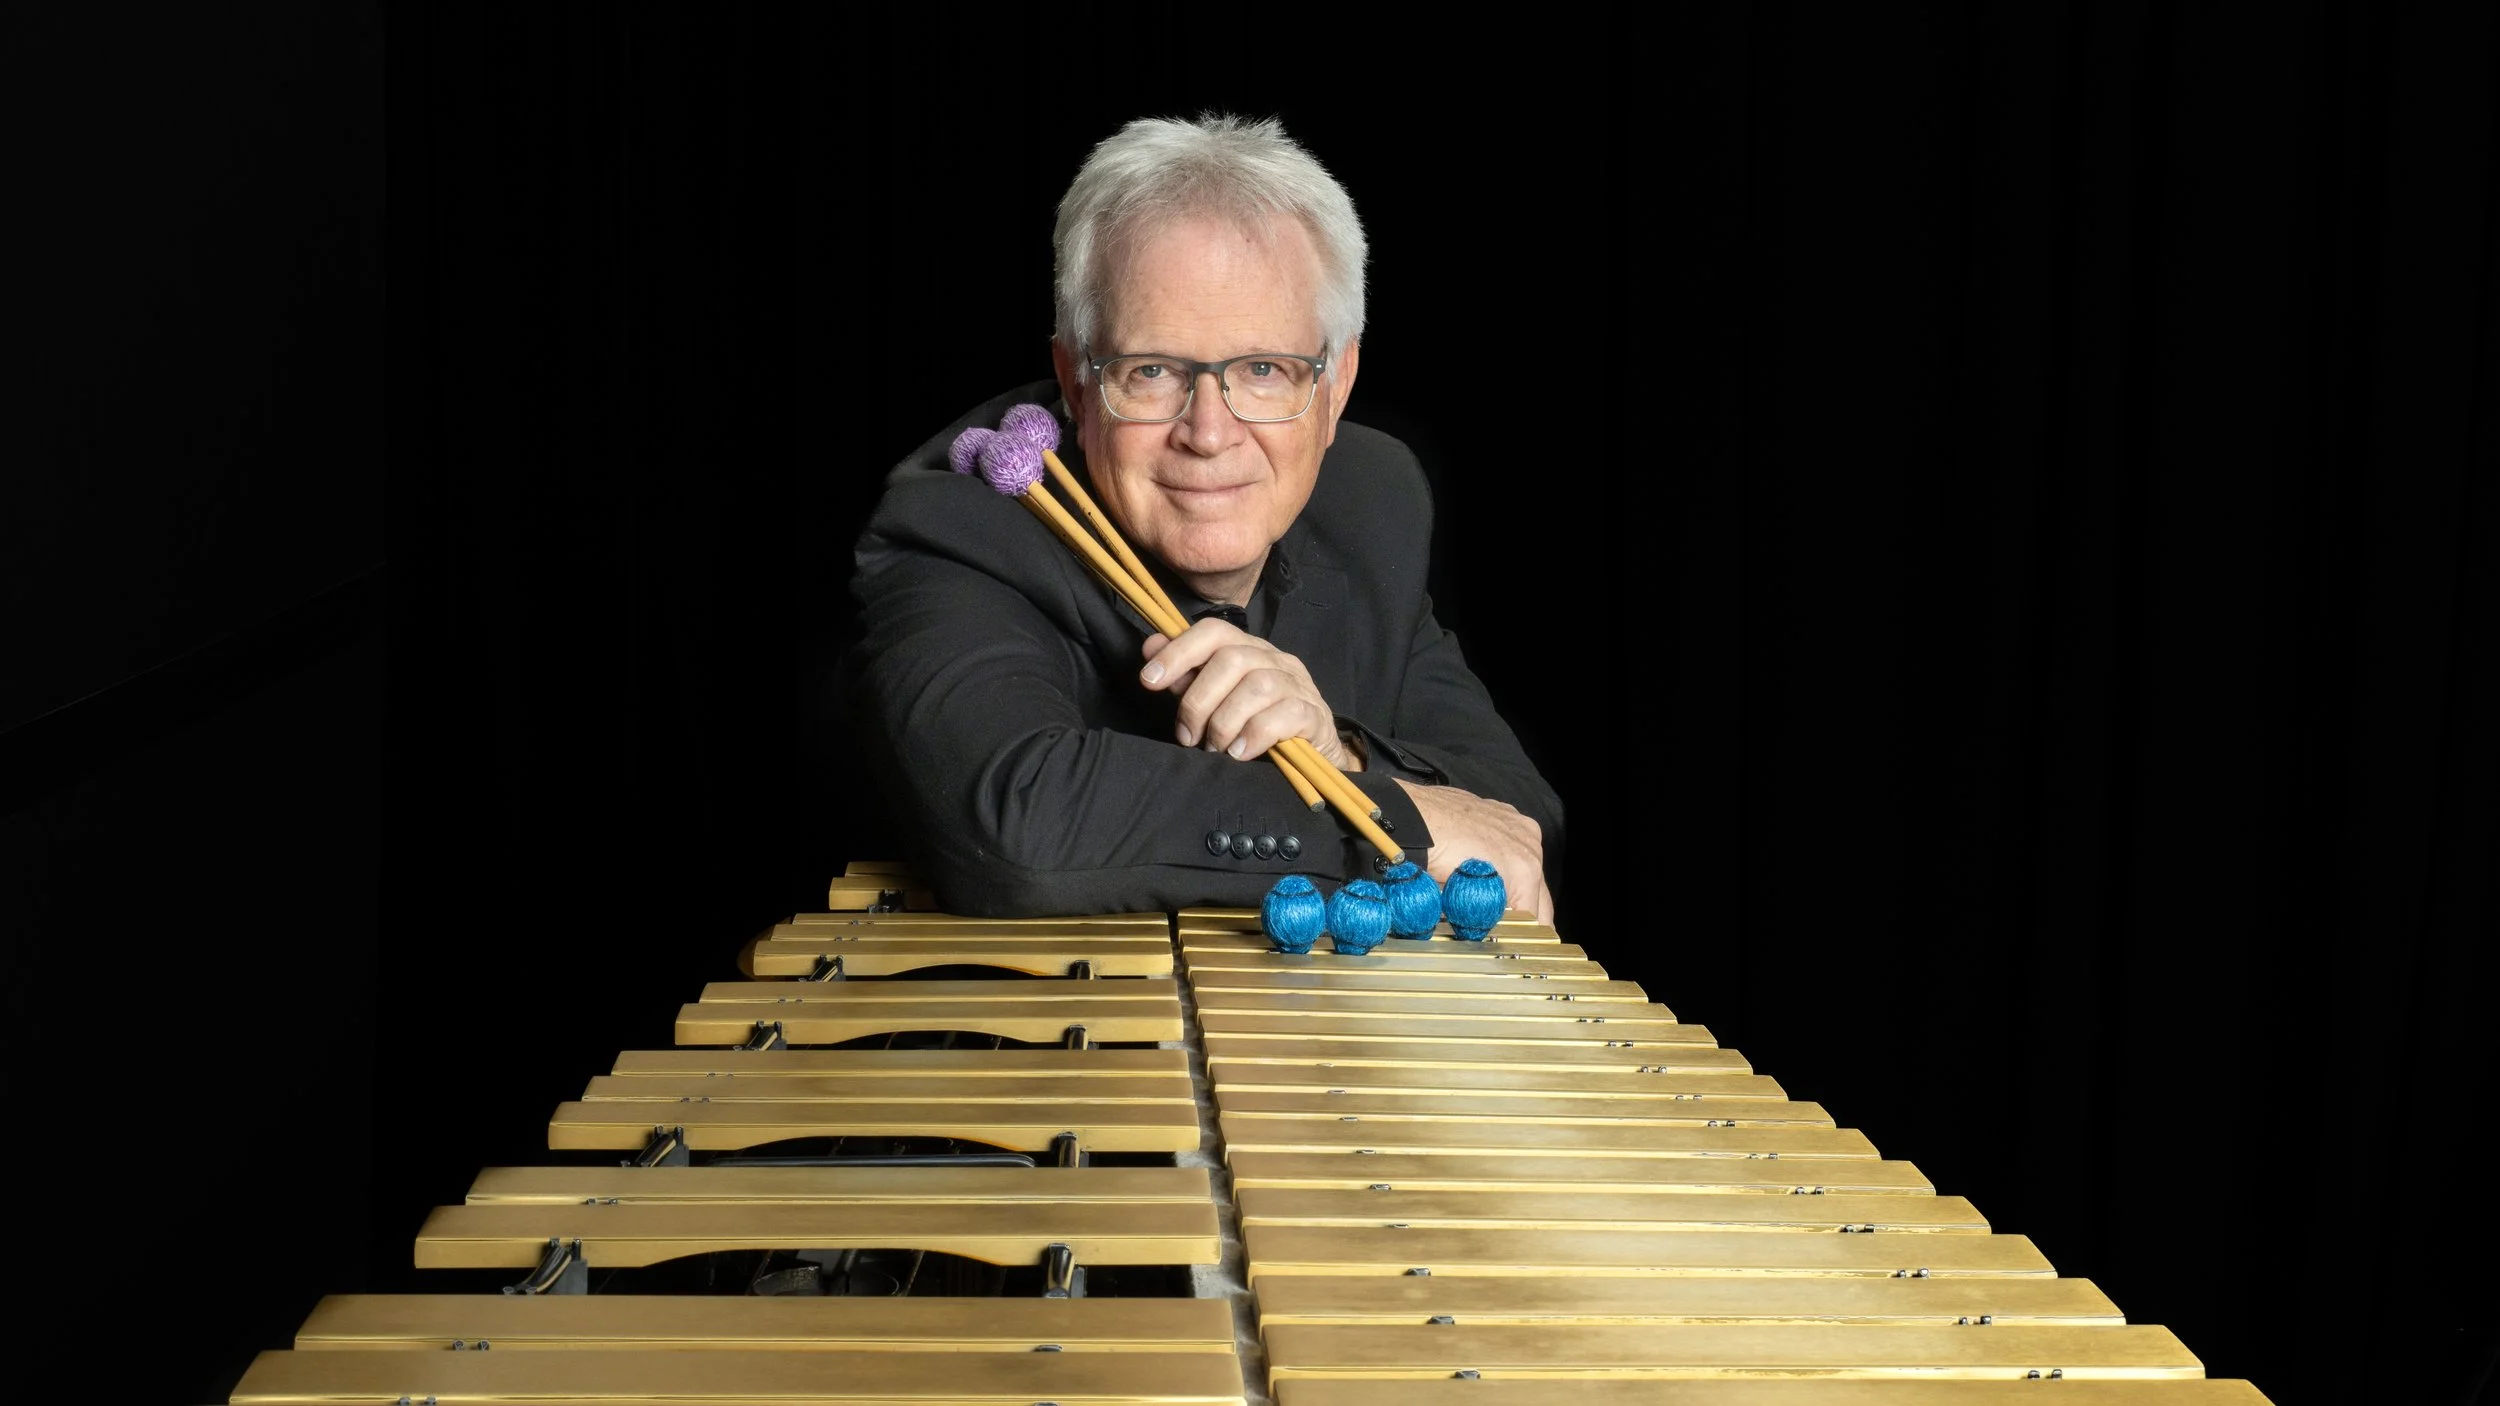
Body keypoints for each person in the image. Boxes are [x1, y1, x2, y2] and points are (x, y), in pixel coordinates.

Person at [842, 113, 1561, 922]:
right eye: (1150, 371)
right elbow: (1017, 834)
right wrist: (1392, 820)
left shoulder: (1370, 501)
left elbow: (1516, 816)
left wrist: (1344, 757)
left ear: (1337, 384)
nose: (1209, 434)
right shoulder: (958, 527)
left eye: (1264, 369)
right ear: (1075, 382)